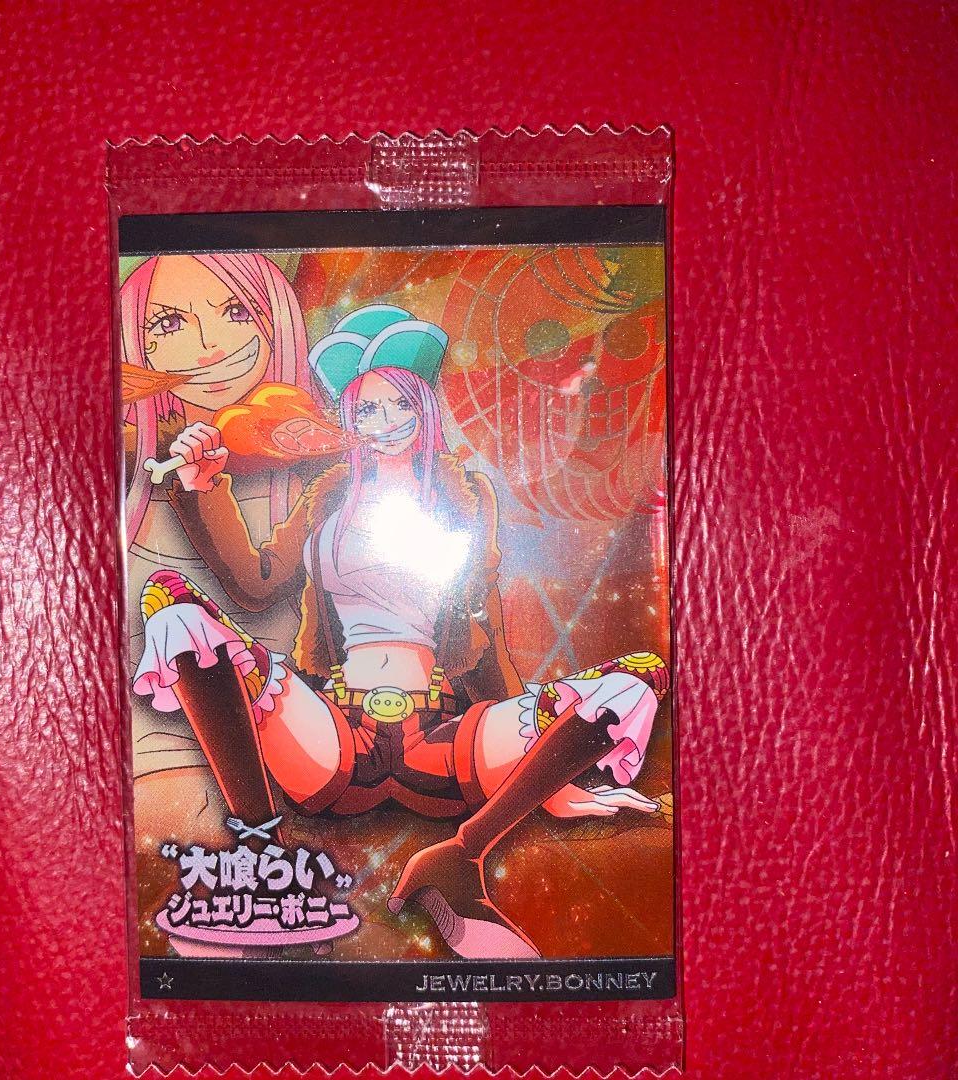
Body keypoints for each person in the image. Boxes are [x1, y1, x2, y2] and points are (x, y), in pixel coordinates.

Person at [134, 304, 668, 959]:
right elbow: (256, 580)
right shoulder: (329, 495)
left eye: (400, 406)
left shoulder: (465, 497)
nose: (383, 424)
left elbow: (485, 627)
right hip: (332, 736)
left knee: (636, 680)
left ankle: (459, 859)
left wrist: (543, 766)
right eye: (366, 410)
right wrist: (204, 487)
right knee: (173, 605)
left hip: (443, 741)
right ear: (349, 419)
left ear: (426, 409)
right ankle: (260, 859)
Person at [121, 253, 309, 782]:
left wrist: (204, 488)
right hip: (142, 730)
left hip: (296, 719)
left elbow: (260, 586)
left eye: (237, 311)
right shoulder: (130, 459)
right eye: (169, 324)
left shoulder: (315, 468)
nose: (211, 346)